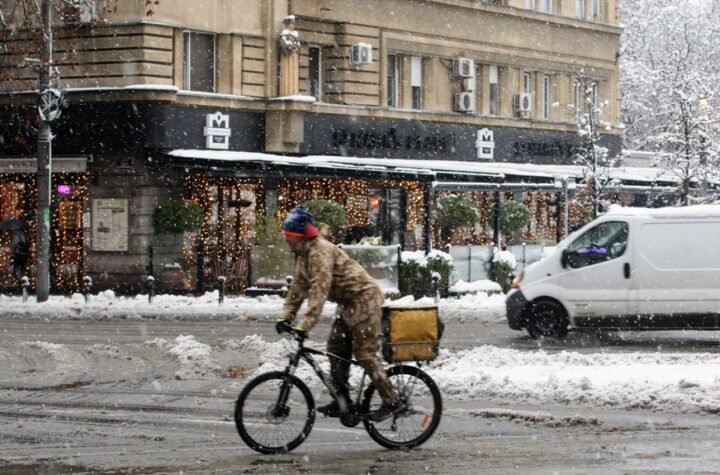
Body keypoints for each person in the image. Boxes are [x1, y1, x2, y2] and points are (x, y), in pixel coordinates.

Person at [276, 207, 400, 420]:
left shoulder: (319, 252)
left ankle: (392, 402)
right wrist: (285, 316)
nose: (287, 240)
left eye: (290, 237)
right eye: (286, 236)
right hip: (347, 303)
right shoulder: (302, 255)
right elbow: (297, 288)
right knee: (336, 347)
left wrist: (305, 324)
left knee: (365, 354)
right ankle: (343, 400)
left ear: (300, 236)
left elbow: (319, 289)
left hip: (365, 298)